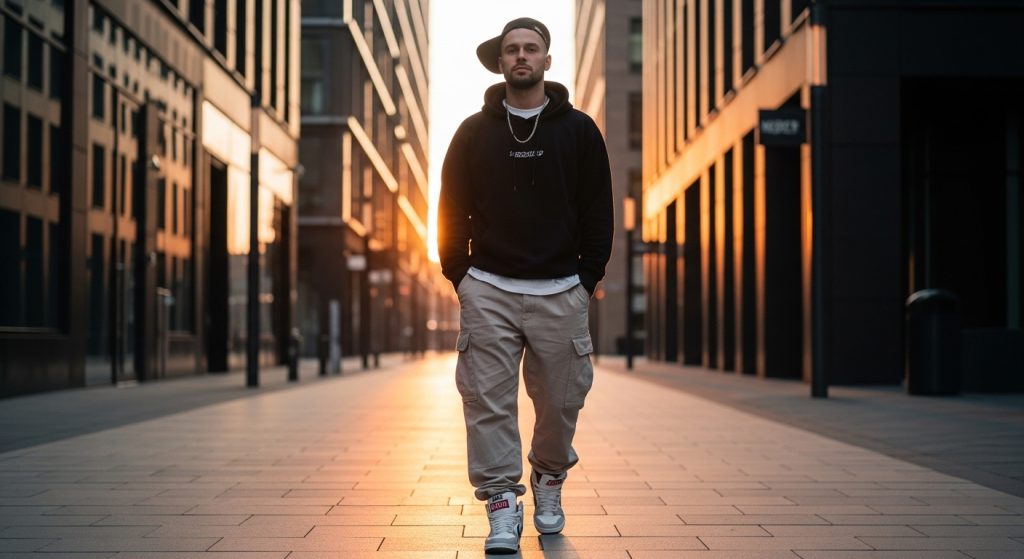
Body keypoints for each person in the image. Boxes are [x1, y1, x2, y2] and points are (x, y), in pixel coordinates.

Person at [438, 16, 613, 554]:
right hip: (488, 288)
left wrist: (586, 280)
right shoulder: (473, 131)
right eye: (511, 49)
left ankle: (549, 479)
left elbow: (597, 212)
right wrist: (460, 275)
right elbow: (451, 209)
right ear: (500, 61)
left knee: (561, 405)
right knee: (488, 403)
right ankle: (501, 507)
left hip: (561, 289)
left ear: (546, 60)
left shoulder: (579, 130)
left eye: (530, 48)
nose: (521, 56)